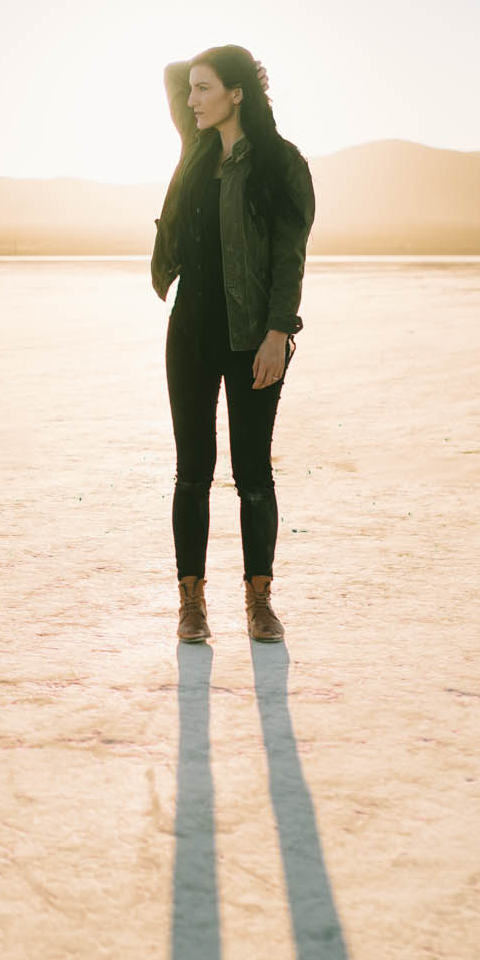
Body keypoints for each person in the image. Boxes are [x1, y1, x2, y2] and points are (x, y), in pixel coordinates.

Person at [150, 45, 315, 644]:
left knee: (252, 474)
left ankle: (259, 601)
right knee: (191, 472)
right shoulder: (195, 149)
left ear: (236, 93)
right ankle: (191, 603)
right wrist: (201, 68)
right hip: (191, 329)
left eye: (205, 89)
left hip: (253, 338)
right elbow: (172, 76)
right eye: (190, 90)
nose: (191, 100)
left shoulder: (280, 164)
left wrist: (278, 333)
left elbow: (288, 259)